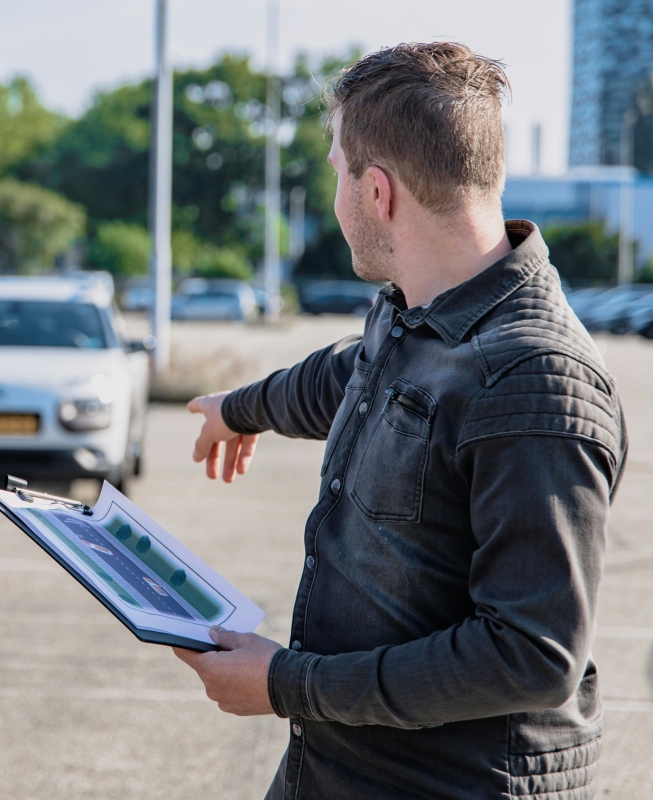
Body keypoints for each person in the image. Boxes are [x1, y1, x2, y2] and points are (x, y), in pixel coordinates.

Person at [175, 42, 627, 799]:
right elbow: (348, 375)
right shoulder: (417, 314)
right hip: (340, 768)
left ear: (377, 192)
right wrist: (239, 407)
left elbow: (530, 655)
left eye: (335, 175)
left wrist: (289, 683)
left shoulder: (536, 381)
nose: (335, 198)